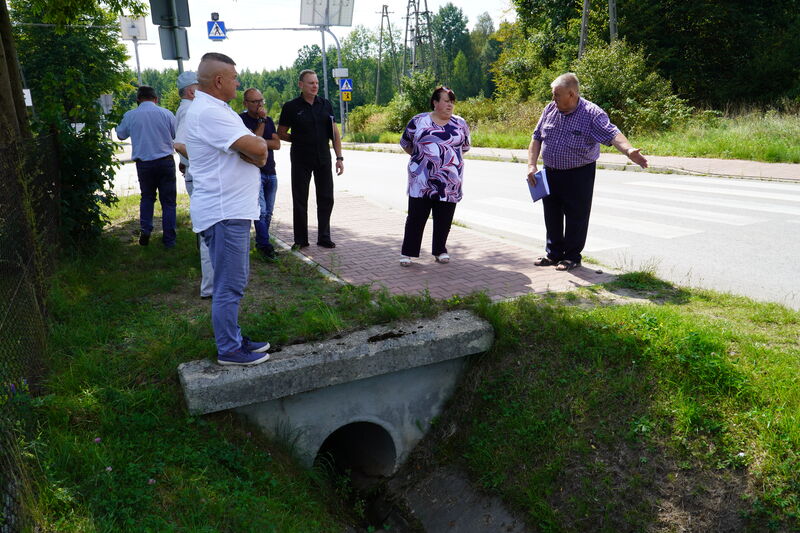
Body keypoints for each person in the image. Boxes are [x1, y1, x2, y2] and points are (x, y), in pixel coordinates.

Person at [173, 52, 271, 366]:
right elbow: (258, 148)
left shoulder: (216, 108)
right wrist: (253, 152)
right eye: (233, 78)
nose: (237, 82)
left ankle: (235, 337)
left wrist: (253, 152)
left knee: (233, 281)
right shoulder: (210, 113)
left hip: (230, 210)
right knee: (229, 284)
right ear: (219, 81)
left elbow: (256, 152)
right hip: (224, 212)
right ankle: (229, 349)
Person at [527, 73, 648, 271]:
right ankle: (554, 253)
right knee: (552, 214)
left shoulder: (591, 114)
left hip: (578, 173)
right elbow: (537, 137)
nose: (553, 99)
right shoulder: (550, 109)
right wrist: (531, 165)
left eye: (557, 95)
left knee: (576, 215)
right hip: (550, 172)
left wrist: (628, 150)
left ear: (572, 94)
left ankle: (572, 256)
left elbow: (612, 133)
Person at [398, 86, 471, 266]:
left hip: (449, 180)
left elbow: (465, 147)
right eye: (446, 101)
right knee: (416, 216)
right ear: (435, 102)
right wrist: (422, 159)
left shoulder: (460, 123)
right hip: (421, 179)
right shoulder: (419, 121)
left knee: (444, 218)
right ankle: (408, 252)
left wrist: (447, 162)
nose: (450, 105)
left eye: (452, 102)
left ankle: (440, 250)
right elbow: (405, 143)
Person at [277, 69, 344, 250]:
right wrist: (298, 139)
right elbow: (281, 133)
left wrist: (339, 157)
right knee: (300, 199)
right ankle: (300, 239)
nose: (315, 86)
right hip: (300, 158)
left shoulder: (326, 105)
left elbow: (335, 133)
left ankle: (324, 236)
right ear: (301, 85)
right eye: (310, 83)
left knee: (326, 198)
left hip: (323, 158)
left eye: (316, 83)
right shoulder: (291, 107)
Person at [116, 85, 177, 248]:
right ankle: (169, 240)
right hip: (165, 161)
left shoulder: (131, 115)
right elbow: (175, 135)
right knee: (169, 202)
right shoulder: (166, 113)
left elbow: (121, 135)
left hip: (144, 164)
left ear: (138, 100)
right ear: (156, 99)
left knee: (147, 197)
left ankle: (146, 229)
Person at [175, 71, 214, 299]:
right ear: (191, 90)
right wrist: (200, 160)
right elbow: (180, 144)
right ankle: (210, 287)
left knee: (208, 231)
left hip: (194, 174)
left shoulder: (185, 109)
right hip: (199, 176)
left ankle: (212, 284)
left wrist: (186, 162)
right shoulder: (190, 109)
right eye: (200, 86)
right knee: (209, 232)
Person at [239, 87, 281, 261]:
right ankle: (265, 246)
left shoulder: (269, 120)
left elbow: (277, 144)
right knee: (261, 211)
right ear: (246, 103)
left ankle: (262, 242)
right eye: (255, 101)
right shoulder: (241, 120)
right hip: (253, 172)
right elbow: (253, 145)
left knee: (269, 212)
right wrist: (262, 124)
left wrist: (260, 141)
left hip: (271, 171)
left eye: (261, 101)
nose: (259, 105)